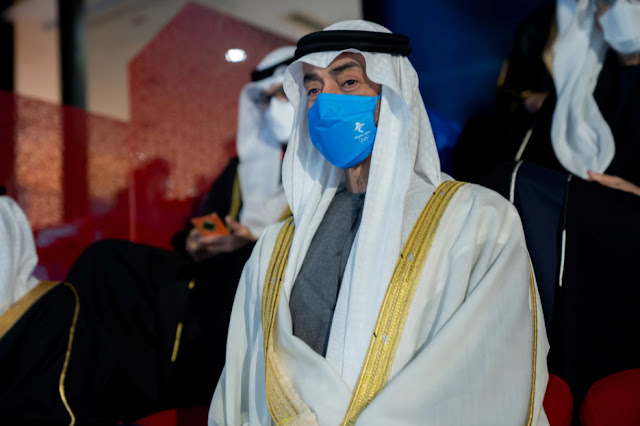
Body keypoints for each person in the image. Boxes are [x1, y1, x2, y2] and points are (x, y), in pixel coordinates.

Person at [210, 20, 549, 425]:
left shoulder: (478, 220)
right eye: (313, 89)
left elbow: (481, 371)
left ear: (393, 94)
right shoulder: (277, 245)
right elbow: (245, 378)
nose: (325, 102)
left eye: (349, 82)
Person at [0, 46, 296, 425]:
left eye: (282, 95)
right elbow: (207, 220)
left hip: (258, 278)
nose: (273, 108)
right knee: (106, 261)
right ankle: (85, 393)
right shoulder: (241, 169)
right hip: (210, 270)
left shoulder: (319, 170)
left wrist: (249, 244)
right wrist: (195, 242)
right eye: (266, 99)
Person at [454, 0, 640, 420]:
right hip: (583, 220)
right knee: (507, 186)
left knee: (520, 188)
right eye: (602, 4)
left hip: (623, 225)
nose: (612, 11)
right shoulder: (588, 81)